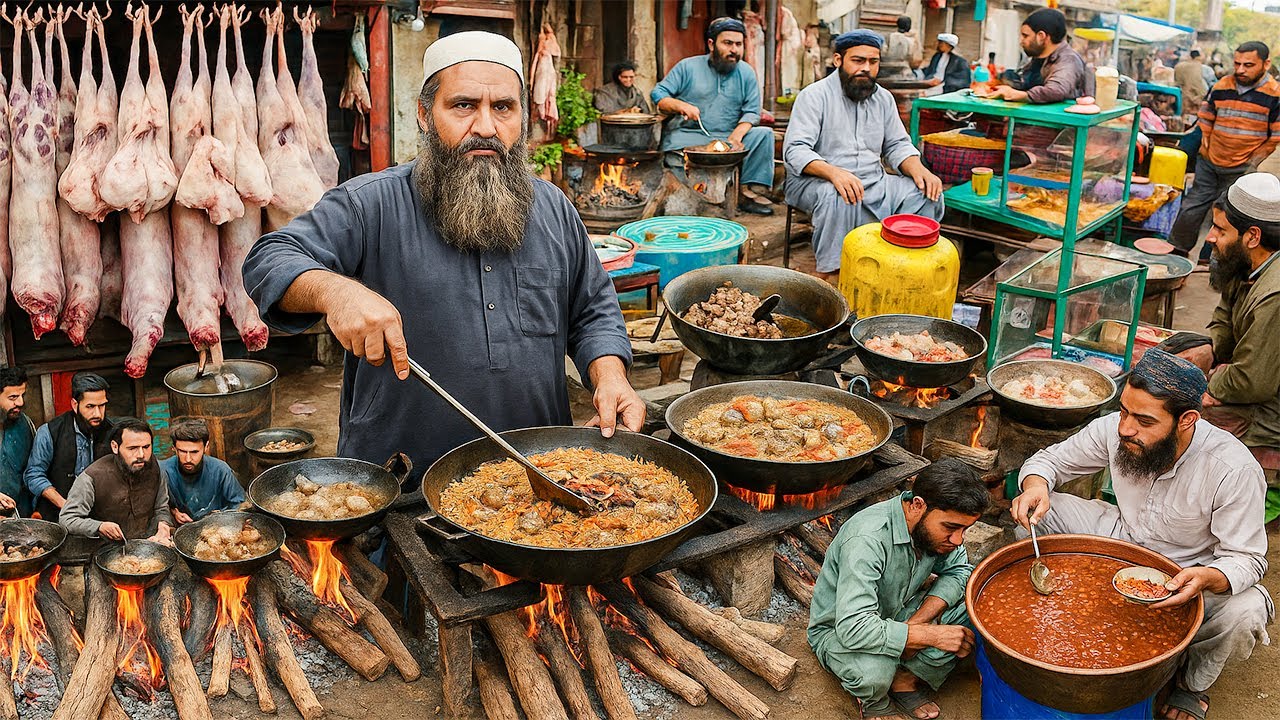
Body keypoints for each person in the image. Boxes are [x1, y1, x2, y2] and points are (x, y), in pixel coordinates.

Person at [243, 31, 642, 473]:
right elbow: (271, 257)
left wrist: (610, 375)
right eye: (464, 106)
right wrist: (334, 292)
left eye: (503, 108)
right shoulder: (370, 203)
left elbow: (593, 311)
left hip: (539, 474)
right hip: (402, 480)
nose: (487, 127)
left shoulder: (552, 208)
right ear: (424, 114)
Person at [1010, 350, 1271, 720]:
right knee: (1038, 514)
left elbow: (1247, 557)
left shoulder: (1233, 468)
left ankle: (1190, 686)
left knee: (1246, 611)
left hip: (1186, 569)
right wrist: (1036, 486)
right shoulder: (1116, 430)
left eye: (1144, 420)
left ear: (1187, 420)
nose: (1125, 428)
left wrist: (1208, 577)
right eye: (1123, 411)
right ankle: (1047, 604)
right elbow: (1048, 461)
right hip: (1119, 535)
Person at [809, 459, 988, 720]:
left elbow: (959, 570)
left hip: (902, 612)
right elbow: (853, 628)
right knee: (874, 674)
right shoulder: (867, 539)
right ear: (918, 505)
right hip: (841, 630)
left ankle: (903, 679)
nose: (958, 540)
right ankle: (875, 701)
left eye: (965, 529)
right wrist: (929, 637)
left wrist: (917, 625)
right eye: (950, 528)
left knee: (977, 610)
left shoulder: (935, 529)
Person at [782, 29, 943, 280]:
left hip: (873, 183)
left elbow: (897, 145)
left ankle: (902, 267)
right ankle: (832, 274)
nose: (866, 68)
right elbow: (795, 150)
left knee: (926, 192)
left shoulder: (884, 99)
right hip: (816, 183)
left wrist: (921, 170)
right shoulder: (814, 96)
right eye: (858, 61)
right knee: (839, 193)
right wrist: (834, 173)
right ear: (838, 60)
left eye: (873, 62)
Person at [1176, 173, 1280, 524]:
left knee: (1179, 419)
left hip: (1270, 407)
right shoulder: (1247, 262)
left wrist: (1208, 387)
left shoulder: (1275, 294)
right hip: (1251, 377)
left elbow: (1254, 381)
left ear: (1252, 236)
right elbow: (1222, 317)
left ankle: (1255, 495)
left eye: (1220, 230)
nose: (1210, 237)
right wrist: (1210, 354)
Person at [651, 17, 776, 215]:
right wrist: (680, 105)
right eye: (727, 43)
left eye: (738, 44)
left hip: (727, 138)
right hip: (689, 137)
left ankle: (745, 193)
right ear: (711, 44)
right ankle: (692, 200)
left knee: (764, 134)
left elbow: (752, 111)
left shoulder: (747, 72)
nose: (734, 50)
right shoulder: (687, 67)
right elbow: (658, 94)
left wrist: (737, 136)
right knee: (683, 174)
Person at [1169, 42, 1280, 258]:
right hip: (1210, 162)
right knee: (1191, 206)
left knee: (1226, 218)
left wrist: (1253, 161)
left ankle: (1209, 260)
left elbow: (1275, 138)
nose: (1240, 70)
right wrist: (1207, 145)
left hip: (1242, 168)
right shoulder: (1221, 86)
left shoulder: (1275, 94)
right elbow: (1206, 118)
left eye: (1248, 65)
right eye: (1237, 63)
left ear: (1266, 64)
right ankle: (1176, 254)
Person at [59, 418, 173, 544]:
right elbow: (67, 519)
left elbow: (161, 507)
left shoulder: (155, 468)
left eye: (146, 447)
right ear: (115, 447)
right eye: (132, 448)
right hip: (106, 549)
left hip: (149, 544)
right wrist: (99, 526)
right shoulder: (92, 477)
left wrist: (163, 525)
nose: (141, 454)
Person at [24, 372, 113, 523]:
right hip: (56, 515)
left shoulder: (113, 432)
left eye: (102, 405)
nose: (98, 413)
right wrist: (65, 505)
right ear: (74, 405)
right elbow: (34, 475)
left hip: (99, 517)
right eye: (90, 407)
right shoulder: (49, 432)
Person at [987, 8, 1093, 104]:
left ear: (1041, 36)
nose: (1021, 41)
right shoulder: (1038, 58)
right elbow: (1024, 82)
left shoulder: (1068, 60)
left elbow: (1056, 90)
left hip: (1058, 124)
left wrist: (1019, 95)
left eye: (1025, 36)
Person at [162, 418, 244, 523]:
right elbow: (157, 507)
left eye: (194, 452)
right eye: (182, 451)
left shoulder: (221, 470)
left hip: (217, 526)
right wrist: (174, 512)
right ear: (174, 448)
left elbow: (239, 504)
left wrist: (220, 517)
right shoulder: (164, 471)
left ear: (206, 447)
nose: (188, 459)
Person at [0, 367, 33, 516]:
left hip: (23, 513)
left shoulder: (25, 423)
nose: (20, 402)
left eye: (22, 395)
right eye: (13, 397)